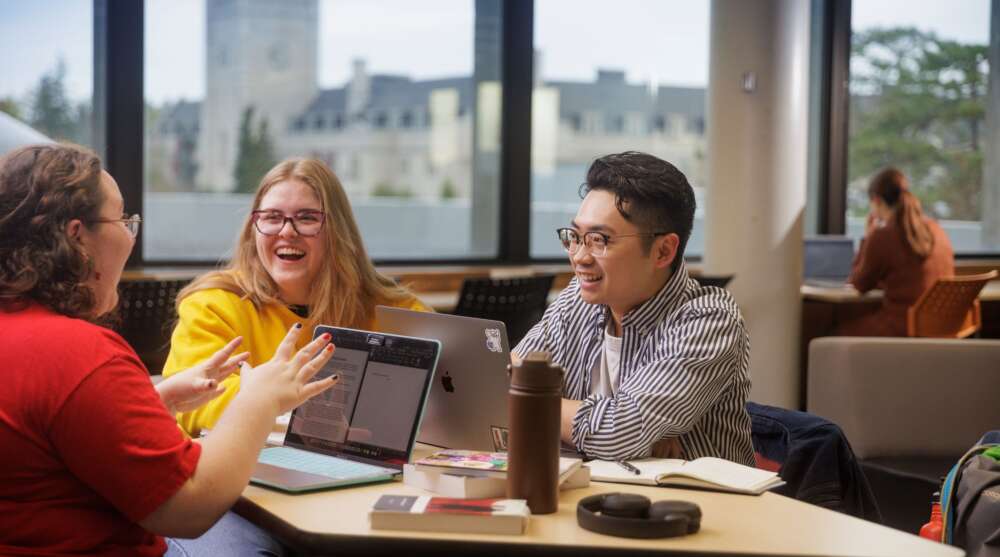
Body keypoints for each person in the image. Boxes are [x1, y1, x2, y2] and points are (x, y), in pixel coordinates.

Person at [0, 143, 337, 555]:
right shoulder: (83, 356)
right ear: (77, 237)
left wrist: (152, 403)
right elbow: (189, 511)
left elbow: (47, 449)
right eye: (123, 219)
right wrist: (259, 400)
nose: (129, 233)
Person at [513, 151, 754, 464]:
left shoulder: (709, 319)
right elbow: (502, 379)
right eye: (575, 236)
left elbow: (616, 433)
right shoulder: (579, 299)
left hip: (698, 506)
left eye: (599, 240)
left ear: (663, 251)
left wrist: (527, 403)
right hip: (596, 494)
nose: (579, 257)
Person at [163, 157, 428, 437]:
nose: (287, 231)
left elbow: (446, 383)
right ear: (253, 230)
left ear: (337, 231)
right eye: (272, 217)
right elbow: (192, 405)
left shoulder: (388, 308)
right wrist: (300, 415)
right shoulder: (213, 306)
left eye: (307, 218)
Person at [838, 167, 954, 337]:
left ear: (876, 201)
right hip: (944, 327)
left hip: (904, 328)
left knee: (833, 333)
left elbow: (858, 283)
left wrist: (868, 237)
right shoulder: (937, 229)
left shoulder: (883, 235)